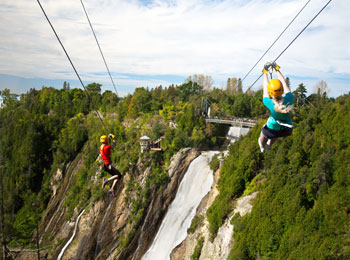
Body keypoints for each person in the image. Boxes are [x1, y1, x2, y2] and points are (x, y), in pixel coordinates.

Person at [258, 62, 294, 152]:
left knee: (263, 133)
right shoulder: (290, 98)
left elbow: (265, 89)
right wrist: (277, 69)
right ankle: (269, 145)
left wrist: (265, 73)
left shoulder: (269, 103)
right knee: (276, 134)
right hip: (285, 128)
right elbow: (284, 83)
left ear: (271, 93)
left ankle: (262, 146)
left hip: (272, 127)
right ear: (281, 90)